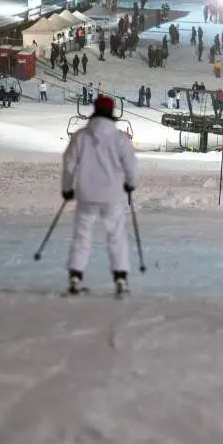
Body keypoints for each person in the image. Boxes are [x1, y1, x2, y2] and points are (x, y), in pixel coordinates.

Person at [61, 95, 140, 295]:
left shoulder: (81, 136)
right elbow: (131, 164)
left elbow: (69, 164)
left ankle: (75, 276)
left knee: (82, 235)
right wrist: (131, 184)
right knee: (116, 235)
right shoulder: (120, 138)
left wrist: (67, 188)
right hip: (112, 195)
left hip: (86, 194)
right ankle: (120, 277)